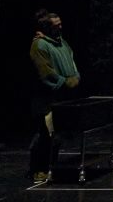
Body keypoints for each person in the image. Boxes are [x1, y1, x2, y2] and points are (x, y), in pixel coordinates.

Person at [28, 10, 80, 184]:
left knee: (56, 135)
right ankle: (38, 169)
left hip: (61, 98)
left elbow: (71, 61)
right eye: (56, 25)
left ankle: (51, 166)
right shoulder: (40, 45)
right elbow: (45, 72)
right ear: (47, 27)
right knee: (44, 134)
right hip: (45, 99)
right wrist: (64, 81)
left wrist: (75, 76)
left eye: (60, 24)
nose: (61, 27)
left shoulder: (62, 43)